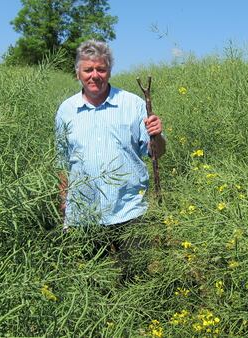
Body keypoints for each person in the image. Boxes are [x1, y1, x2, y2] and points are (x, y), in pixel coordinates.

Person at [55, 40, 165, 238]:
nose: (95, 76)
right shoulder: (66, 110)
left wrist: (157, 135)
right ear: (78, 72)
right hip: (83, 215)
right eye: (88, 70)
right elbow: (62, 162)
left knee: (135, 270)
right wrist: (64, 202)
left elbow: (156, 153)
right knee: (89, 269)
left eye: (101, 69)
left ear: (110, 72)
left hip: (129, 211)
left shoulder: (133, 104)